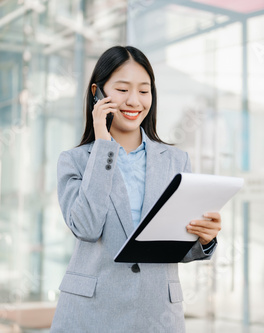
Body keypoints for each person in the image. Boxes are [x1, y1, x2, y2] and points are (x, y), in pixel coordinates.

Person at [50, 45, 222, 332]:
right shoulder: (75, 161)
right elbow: (87, 227)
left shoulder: (176, 161)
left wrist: (204, 239)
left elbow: (175, 247)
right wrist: (104, 145)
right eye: (122, 89)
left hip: (156, 313)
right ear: (98, 92)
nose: (134, 101)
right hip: (89, 313)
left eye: (144, 91)